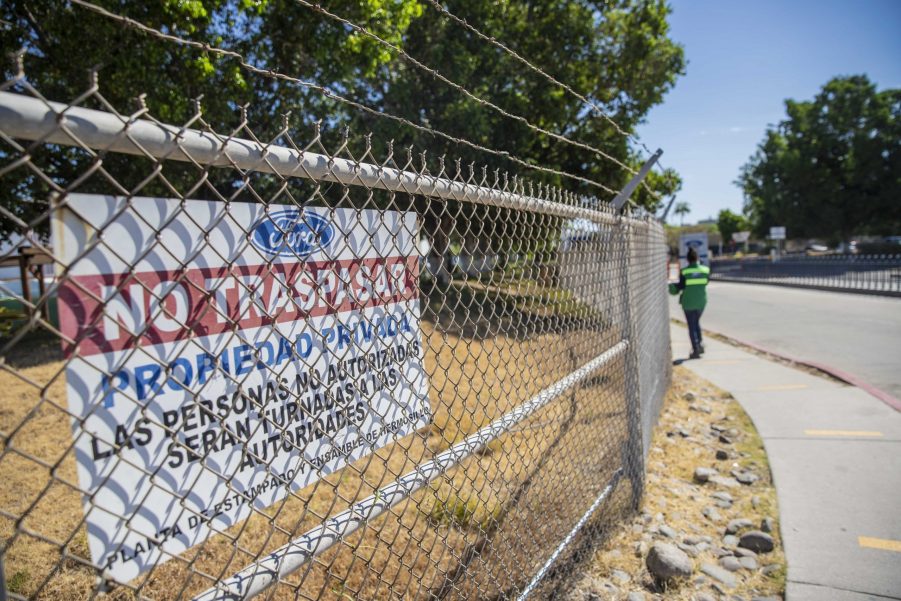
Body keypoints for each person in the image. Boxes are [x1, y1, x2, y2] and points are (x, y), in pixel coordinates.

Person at [669, 247, 710, 359]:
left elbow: (676, 289)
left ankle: (695, 349)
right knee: (696, 322)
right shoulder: (705, 270)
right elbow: (706, 282)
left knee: (692, 326)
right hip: (701, 302)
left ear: (687, 260)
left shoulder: (684, 272)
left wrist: (671, 285)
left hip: (688, 303)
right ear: (697, 258)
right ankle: (700, 344)